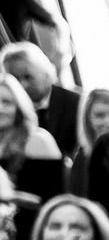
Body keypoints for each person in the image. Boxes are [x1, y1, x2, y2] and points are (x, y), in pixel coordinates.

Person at [0, 72, 66, 204]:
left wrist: (8, 197)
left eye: (6, 102)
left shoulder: (37, 140)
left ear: (19, 107)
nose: (0, 109)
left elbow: (53, 201)